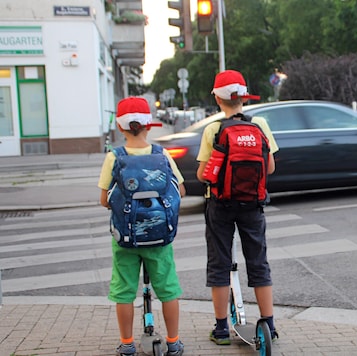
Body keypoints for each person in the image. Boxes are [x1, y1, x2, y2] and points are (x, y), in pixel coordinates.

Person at [196, 70, 279, 345]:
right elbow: (270, 167)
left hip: (220, 205)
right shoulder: (260, 125)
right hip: (253, 205)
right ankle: (269, 323)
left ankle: (221, 329)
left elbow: (202, 174)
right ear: (243, 98)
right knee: (258, 260)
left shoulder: (213, 129)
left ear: (218, 100)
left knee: (219, 262)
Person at [98, 96, 186, 356]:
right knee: (168, 287)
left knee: (124, 289)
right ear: (149, 126)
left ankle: (127, 345)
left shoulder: (114, 157)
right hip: (159, 235)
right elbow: (179, 189)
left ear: (120, 127)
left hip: (126, 237)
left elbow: (104, 200)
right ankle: (174, 342)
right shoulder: (162, 154)